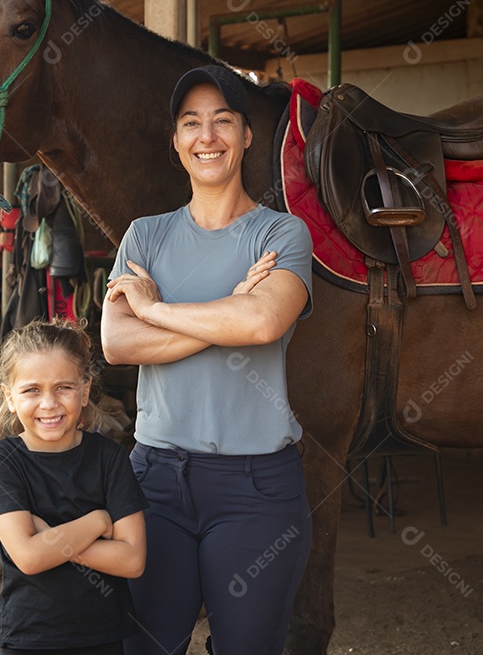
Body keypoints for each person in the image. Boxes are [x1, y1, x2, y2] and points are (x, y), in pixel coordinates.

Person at [102, 65, 314, 655]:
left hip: (256, 490)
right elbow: (118, 343)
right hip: (156, 482)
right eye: (191, 123)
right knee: (144, 647)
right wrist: (229, 310)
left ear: (248, 136)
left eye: (224, 121)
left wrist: (157, 308)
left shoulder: (283, 234)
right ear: (175, 141)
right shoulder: (143, 237)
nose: (207, 136)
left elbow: (263, 321)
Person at [0, 319, 148, 655]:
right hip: (30, 638)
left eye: (63, 387)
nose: (49, 404)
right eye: (32, 390)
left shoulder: (109, 457)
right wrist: (98, 522)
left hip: (103, 636)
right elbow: (28, 557)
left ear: (85, 390)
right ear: (9, 397)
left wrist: (51, 540)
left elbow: (132, 560)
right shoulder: (2, 462)